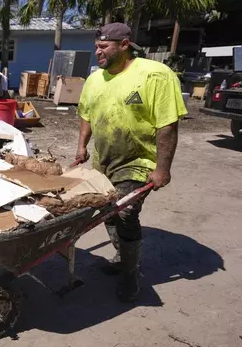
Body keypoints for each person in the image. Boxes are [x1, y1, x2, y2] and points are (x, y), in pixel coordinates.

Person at [75, 23, 187, 303]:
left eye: (104, 47)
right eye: (96, 47)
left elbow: (167, 125)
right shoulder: (94, 80)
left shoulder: (155, 75)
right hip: (104, 161)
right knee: (107, 212)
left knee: (125, 213)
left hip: (138, 160)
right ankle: (121, 255)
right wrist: (81, 147)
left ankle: (130, 274)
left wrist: (163, 168)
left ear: (124, 45)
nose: (98, 52)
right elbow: (86, 115)